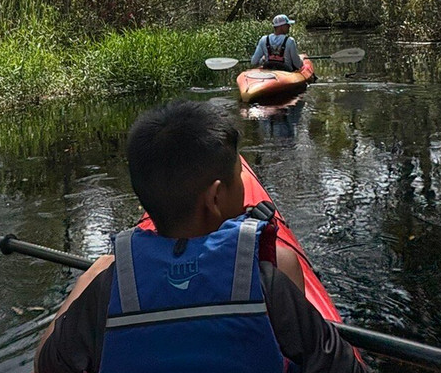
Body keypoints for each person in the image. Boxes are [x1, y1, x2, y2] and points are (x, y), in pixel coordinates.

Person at [35, 100, 364, 373]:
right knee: (285, 261)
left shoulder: (106, 291)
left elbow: (45, 366)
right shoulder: (268, 283)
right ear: (216, 198)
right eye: (238, 178)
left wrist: (90, 279)